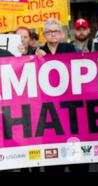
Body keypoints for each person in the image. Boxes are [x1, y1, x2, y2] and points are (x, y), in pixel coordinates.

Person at [36, 18, 89, 172]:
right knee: (53, 162)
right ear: (44, 35)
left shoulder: (70, 49)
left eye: (56, 31)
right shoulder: (38, 51)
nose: (53, 34)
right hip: (49, 111)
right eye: (49, 31)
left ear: (61, 33)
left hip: (70, 109)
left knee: (76, 160)